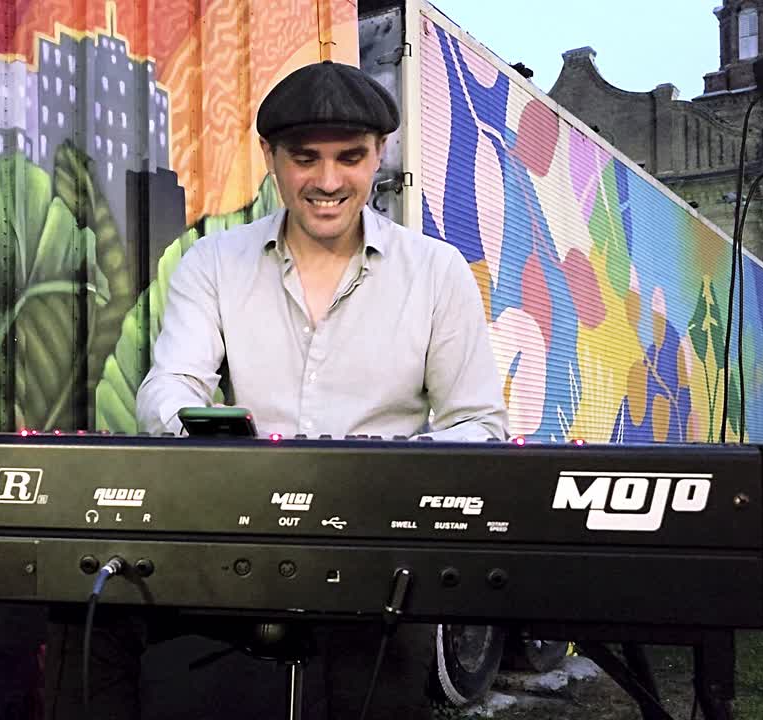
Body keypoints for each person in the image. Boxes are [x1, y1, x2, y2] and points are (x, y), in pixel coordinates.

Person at [43, 60, 508, 720]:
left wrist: (395, 474)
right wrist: (217, 439)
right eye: (304, 158)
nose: (328, 181)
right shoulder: (214, 263)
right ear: (271, 157)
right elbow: (169, 384)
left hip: (375, 555)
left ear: (380, 154)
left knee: (374, 676)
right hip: (238, 538)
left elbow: (478, 424)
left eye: (350, 157)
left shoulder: (437, 272)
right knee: (88, 615)